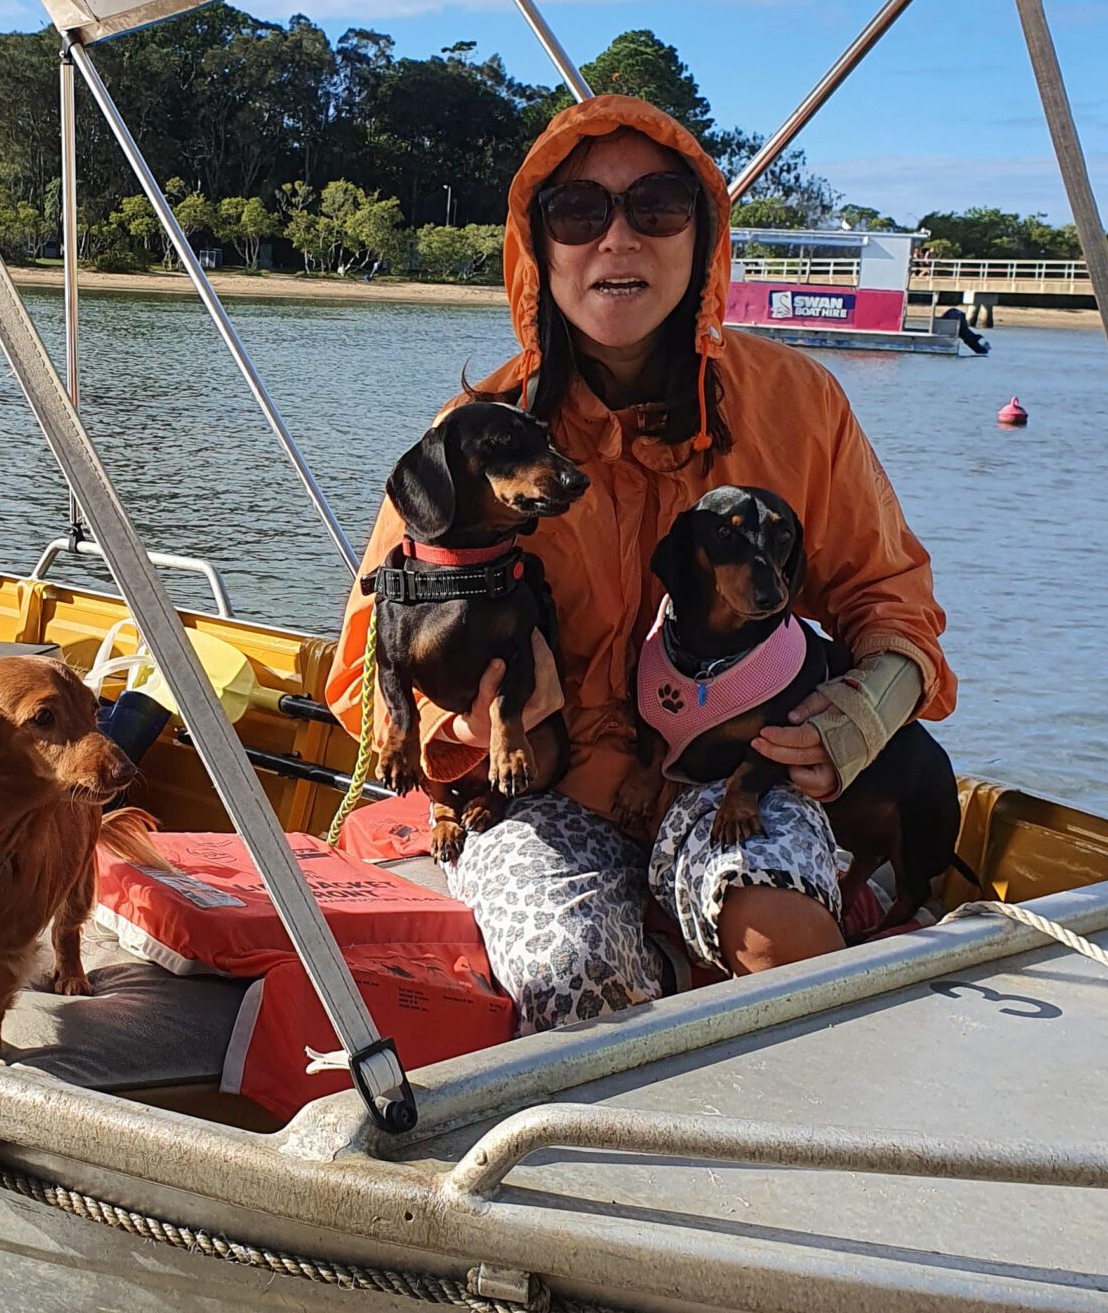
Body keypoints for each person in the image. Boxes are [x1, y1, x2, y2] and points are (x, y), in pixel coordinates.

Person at [329, 96, 954, 1031]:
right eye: (578, 212)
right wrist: (470, 723)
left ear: (702, 238)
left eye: (656, 206)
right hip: (536, 795)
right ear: (538, 247)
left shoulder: (800, 403)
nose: (616, 239)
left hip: (729, 780)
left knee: (791, 960)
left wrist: (856, 721)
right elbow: (363, 664)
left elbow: (892, 604)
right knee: (574, 981)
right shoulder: (472, 442)